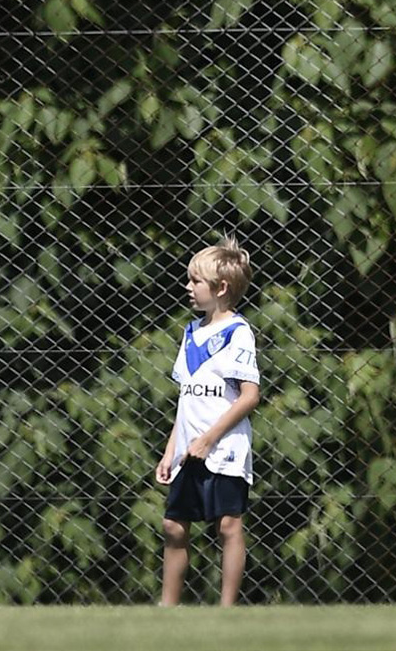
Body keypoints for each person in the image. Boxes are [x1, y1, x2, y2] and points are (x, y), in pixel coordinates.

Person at [155, 236, 260, 607]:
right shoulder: (190, 333)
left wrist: (209, 438)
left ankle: (226, 610)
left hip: (223, 449)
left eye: (195, 281)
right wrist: (172, 451)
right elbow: (185, 401)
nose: (188, 287)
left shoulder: (238, 332)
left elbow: (249, 396)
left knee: (228, 525)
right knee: (173, 526)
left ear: (221, 287)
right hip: (189, 451)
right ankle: (167, 609)